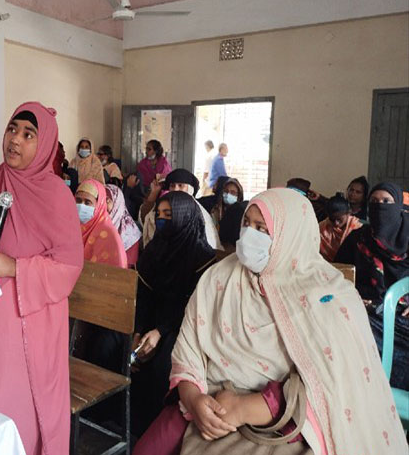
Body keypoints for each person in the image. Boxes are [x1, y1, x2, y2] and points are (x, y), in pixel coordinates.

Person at [135, 188, 405, 455]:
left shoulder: (330, 298)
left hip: (284, 418)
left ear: (290, 235)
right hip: (210, 399)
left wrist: (244, 408)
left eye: (262, 229)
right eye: (247, 225)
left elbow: (329, 386)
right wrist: (194, 400)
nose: (250, 235)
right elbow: (189, 349)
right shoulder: (219, 279)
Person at [0, 103, 83, 455]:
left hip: (27, 329)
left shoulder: (56, 195)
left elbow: (68, 268)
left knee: (12, 416)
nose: (15, 140)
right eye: (12, 129)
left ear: (46, 144)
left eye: (28, 134)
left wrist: (14, 267)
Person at [131, 191, 216, 436]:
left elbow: (193, 309)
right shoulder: (155, 251)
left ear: (185, 217)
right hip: (153, 322)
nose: (161, 221)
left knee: (162, 364)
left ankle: (156, 432)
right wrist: (139, 332)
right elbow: (144, 297)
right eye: (159, 215)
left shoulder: (204, 260)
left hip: (184, 327)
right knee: (123, 351)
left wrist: (160, 331)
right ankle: (129, 425)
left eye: (169, 215)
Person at [334, 182, 408, 390]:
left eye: (386, 202)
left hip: (404, 316)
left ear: (399, 206)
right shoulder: (359, 238)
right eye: (374, 202)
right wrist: (352, 294)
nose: (380, 207)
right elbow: (337, 273)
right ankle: (366, 391)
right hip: (367, 311)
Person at [140, 169, 221, 251]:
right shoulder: (165, 204)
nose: (175, 189)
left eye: (180, 185)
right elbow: (147, 218)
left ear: (190, 189)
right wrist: (154, 192)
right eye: (172, 185)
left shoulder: (198, 211)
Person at [76, 179, 127, 268]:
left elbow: (117, 276)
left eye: (88, 202)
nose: (81, 206)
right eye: (78, 200)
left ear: (100, 204)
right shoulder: (72, 227)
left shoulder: (109, 236)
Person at [318, 195, 362, 262]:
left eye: (339, 219)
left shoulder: (358, 229)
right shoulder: (321, 228)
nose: (336, 223)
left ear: (348, 213)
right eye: (332, 219)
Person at [105, 184, 141, 267]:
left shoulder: (130, 233)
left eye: (107, 200)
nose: (103, 204)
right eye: (100, 200)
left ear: (117, 202)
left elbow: (127, 268)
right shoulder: (95, 223)